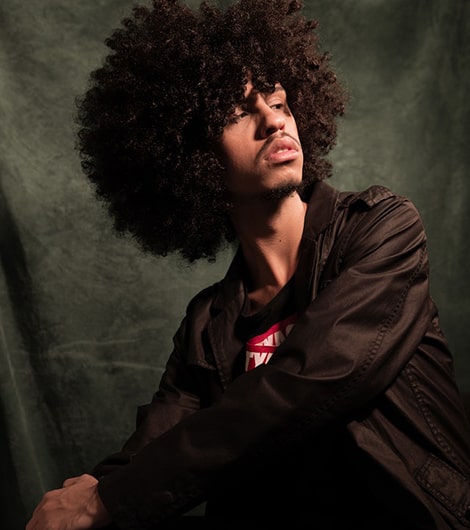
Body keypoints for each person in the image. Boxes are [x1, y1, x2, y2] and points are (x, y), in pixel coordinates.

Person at [26, 0, 470, 528]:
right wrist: (89, 494)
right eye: (237, 113)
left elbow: (310, 381)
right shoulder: (206, 326)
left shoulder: (381, 229)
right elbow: (152, 450)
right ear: (191, 159)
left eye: (278, 102)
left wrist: (108, 499)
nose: (274, 120)